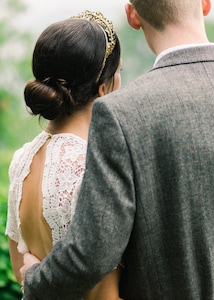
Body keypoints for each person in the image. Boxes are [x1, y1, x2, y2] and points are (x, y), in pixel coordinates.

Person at [20, 0, 214, 299]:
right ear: (205, 4)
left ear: (133, 16)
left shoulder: (121, 114)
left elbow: (91, 252)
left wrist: (34, 279)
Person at [5, 10, 122, 300]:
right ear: (105, 87)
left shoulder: (22, 160)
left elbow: (22, 273)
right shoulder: (94, 166)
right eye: (119, 73)